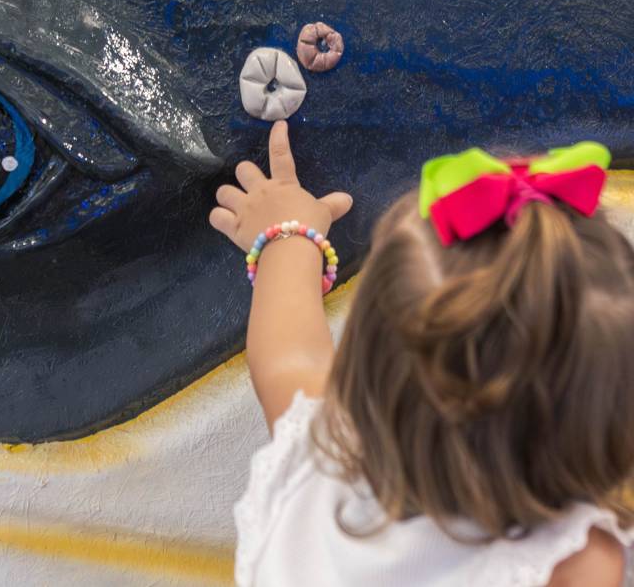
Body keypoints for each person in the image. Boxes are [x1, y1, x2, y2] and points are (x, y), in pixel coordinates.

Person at [210, 121, 634, 586]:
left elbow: (289, 356)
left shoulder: (312, 480)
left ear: (361, 373)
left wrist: (285, 232)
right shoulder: (576, 564)